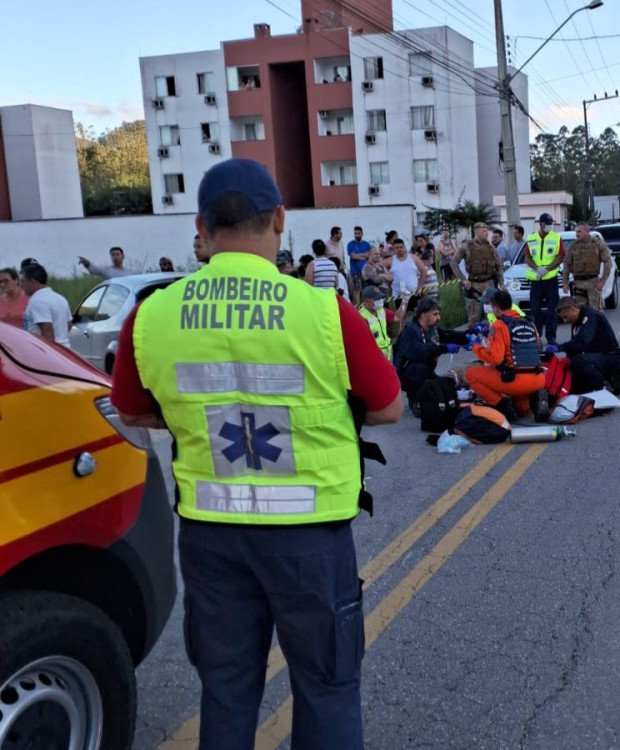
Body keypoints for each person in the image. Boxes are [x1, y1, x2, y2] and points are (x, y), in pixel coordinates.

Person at [109, 158, 402, 750]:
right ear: (279, 220)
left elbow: (133, 411)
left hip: (211, 536)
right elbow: (390, 406)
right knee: (326, 685)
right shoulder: (323, 311)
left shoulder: (151, 314)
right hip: (309, 537)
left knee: (226, 689)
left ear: (201, 226)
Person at [465, 289, 547, 421]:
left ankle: (504, 406)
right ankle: (533, 401)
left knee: (471, 374)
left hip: (516, 380)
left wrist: (475, 346)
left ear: (496, 308)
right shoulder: (529, 322)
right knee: (521, 406)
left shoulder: (499, 325)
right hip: (539, 378)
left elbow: (495, 359)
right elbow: (537, 347)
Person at [394, 297, 466, 415]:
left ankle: (424, 392)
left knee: (446, 385)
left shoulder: (431, 329)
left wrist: (468, 336)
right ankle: (415, 400)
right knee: (419, 367)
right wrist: (443, 348)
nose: (439, 318)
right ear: (423, 315)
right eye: (435, 314)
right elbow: (419, 351)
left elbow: (449, 335)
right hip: (407, 375)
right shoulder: (411, 330)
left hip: (426, 372)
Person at [549, 296, 620, 395]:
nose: (564, 321)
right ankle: (596, 383)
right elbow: (574, 348)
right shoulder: (576, 322)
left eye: (565, 317)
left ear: (572, 309)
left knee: (578, 361)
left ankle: (603, 388)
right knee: (571, 362)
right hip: (595, 355)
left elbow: (581, 342)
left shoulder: (591, 316)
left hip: (609, 356)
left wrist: (559, 347)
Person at [451, 222, 503, 328]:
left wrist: (502, 283)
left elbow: (498, 266)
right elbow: (453, 263)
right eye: (484, 231)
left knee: (491, 318)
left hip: (489, 285)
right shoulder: (466, 246)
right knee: (474, 318)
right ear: (476, 231)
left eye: (487, 231)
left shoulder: (491, 247)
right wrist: (463, 280)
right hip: (474, 286)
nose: (486, 234)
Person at [523, 212, 565, 345]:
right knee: (535, 309)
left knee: (552, 309)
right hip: (536, 279)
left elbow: (561, 256)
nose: (549, 226)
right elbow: (527, 257)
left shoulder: (556, 237)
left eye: (550, 224)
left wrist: (547, 269)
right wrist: (536, 268)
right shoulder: (531, 238)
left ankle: (551, 337)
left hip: (550, 278)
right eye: (547, 224)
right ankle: (537, 335)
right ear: (540, 224)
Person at [19, 263, 72, 346]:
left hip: (46, 353)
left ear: (33, 280)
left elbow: (47, 330)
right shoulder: (60, 298)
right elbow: (68, 324)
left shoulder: (37, 301)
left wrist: (48, 354)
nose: (21, 285)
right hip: (64, 350)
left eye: (23, 281)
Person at [562, 222, 612, 310]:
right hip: (578, 283)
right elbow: (567, 264)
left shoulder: (598, 244)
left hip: (593, 282)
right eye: (576, 232)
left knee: (596, 311)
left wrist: (602, 281)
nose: (577, 234)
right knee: (581, 312)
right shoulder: (573, 246)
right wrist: (565, 282)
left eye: (579, 232)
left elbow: (608, 262)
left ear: (586, 232)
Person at [388, 237, 427, 313]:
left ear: (404, 247)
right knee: (402, 317)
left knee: (417, 314)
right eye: (397, 248)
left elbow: (424, 271)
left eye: (401, 247)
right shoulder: (391, 260)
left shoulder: (413, 257)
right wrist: (385, 274)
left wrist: (420, 286)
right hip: (399, 295)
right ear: (394, 249)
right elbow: (379, 266)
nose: (399, 249)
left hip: (414, 293)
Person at [359, 286, 394, 359]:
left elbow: (397, 319)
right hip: (375, 356)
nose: (380, 301)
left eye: (381, 298)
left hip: (388, 354)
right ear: (367, 301)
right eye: (377, 299)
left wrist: (404, 303)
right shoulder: (361, 317)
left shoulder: (381, 310)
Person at [347, 226, 373, 304]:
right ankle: (357, 309)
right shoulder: (350, 244)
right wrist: (364, 256)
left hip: (366, 272)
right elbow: (353, 256)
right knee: (357, 290)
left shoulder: (366, 244)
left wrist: (359, 255)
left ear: (362, 233)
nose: (357, 235)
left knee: (365, 290)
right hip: (355, 272)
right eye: (355, 233)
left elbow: (370, 255)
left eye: (358, 233)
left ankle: (364, 308)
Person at [411, 230, 439, 298]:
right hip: (421, 269)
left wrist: (421, 257)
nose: (419, 243)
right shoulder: (417, 248)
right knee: (424, 281)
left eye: (421, 241)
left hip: (430, 267)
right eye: (418, 241)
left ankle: (435, 292)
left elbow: (431, 254)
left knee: (432, 279)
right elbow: (415, 258)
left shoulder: (430, 245)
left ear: (425, 240)